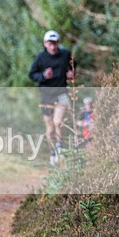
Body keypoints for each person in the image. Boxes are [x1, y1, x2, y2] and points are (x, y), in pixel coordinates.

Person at [28, 30, 74, 162]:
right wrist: (42, 76)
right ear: (45, 44)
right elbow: (31, 75)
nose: (53, 47)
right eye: (50, 43)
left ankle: (60, 148)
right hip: (46, 96)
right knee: (50, 128)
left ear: (58, 43)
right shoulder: (40, 58)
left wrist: (71, 73)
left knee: (58, 122)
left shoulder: (65, 54)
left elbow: (73, 67)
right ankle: (53, 152)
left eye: (55, 43)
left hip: (62, 93)